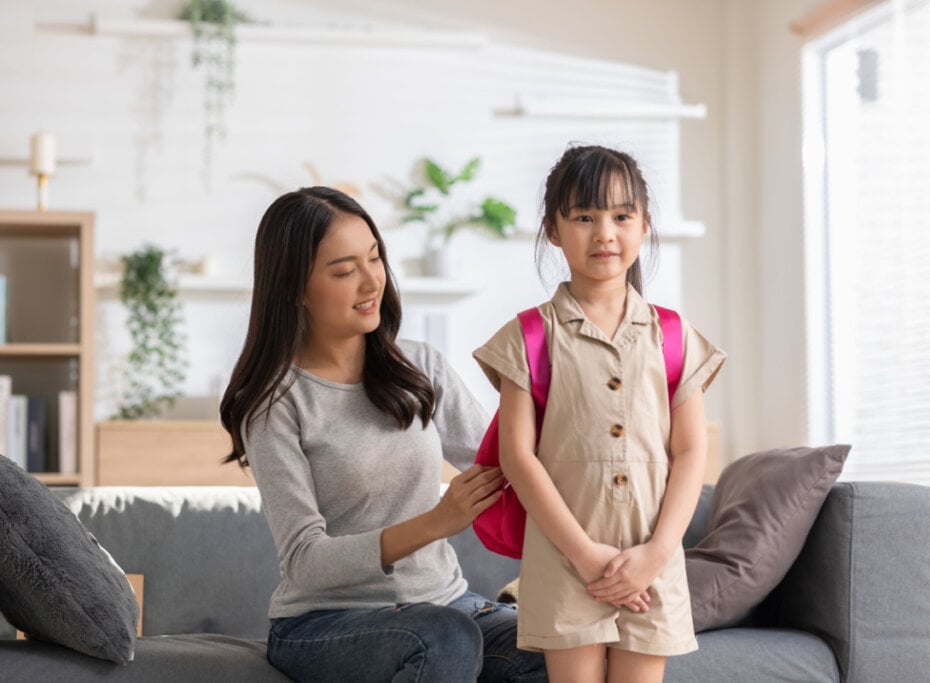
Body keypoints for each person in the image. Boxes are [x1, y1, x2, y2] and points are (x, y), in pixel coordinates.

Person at [219, 186, 548, 682]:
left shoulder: (420, 367)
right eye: (344, 270)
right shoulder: (275, 403)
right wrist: (438, 521)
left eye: (375, 257)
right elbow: (306, 561)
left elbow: (510, 465)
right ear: (293, 287)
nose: (371, 280)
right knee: (444, 637)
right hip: (327, 624)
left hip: (449, 605)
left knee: (562, 646)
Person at [473, 145, 726, 683]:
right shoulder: (527, 336)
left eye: (621, 216)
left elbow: (690, 451)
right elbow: (518, 458)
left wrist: (657, 555)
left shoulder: (675, 336)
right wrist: (587, 557)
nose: (604, 233)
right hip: (565, 561)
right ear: (553, 230)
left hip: (652, 559)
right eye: (584, 217)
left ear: (645, 225)